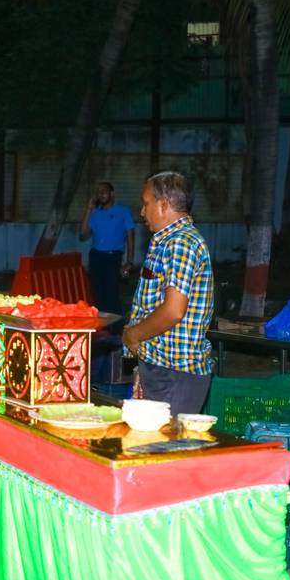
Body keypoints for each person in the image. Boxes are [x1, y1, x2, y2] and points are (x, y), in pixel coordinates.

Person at [122, 171, 214, 415]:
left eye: (146, 204)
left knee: (168, 450)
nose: (142, 212)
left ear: (163, 205)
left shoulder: (181, 243)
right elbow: (152, 304)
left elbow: (173, 310)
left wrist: (133, 335)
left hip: (176, 373)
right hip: (160, 366)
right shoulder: (165, 241)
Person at [79, 180, 135, 315]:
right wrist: (89, 209)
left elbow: (130, 236)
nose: (101, 194)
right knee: (97, 294)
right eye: (98, 192)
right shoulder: (95, 213)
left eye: (104, 191)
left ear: (112, 194)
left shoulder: (123, 211)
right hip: (96, 256)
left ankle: (117, 329)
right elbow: (83, 234)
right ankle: (103, 330)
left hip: (113, 257)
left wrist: (129, 261)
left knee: (111, 294)